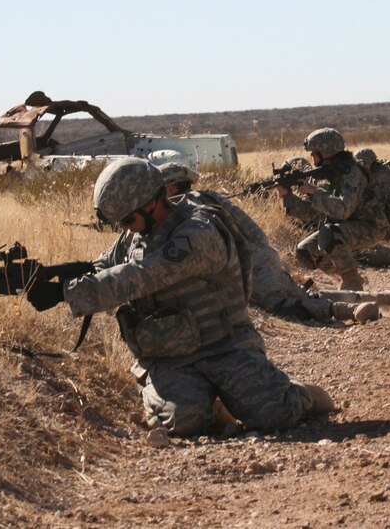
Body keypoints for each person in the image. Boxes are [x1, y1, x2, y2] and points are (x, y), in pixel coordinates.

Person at [24, 157, 334, 437]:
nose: (124, 228)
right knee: (179, 421)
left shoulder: (197, 232)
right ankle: (211, 406)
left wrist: (63, 292)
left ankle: (301, 395)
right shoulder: (137, 232)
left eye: (127, 221)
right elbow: (107, 264)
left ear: (152, 203)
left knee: (276, 413)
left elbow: (143, 274)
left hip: (226, 345)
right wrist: (57, 273)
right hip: (169, 357)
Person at [158, 162, 382, 324]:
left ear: (169, 189)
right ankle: (371, 298)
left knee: (285, 306)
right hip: (265, 256)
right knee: (301, 295)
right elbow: (254, 230)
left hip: (249, 269)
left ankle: (348, 310)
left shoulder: (180, 213)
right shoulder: (212, 197)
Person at [279, 128, 385, 291]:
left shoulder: (352, 172)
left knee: (330, 233)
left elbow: (343, 210)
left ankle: (352, 281)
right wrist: (288, 197)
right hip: (345, 227)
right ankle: (351, 274)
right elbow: (311, 213)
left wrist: (314, 191)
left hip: (370, 226)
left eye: (314, 153)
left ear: (326, 152)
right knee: (304, 252)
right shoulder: (326, 174)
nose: (311, 157)